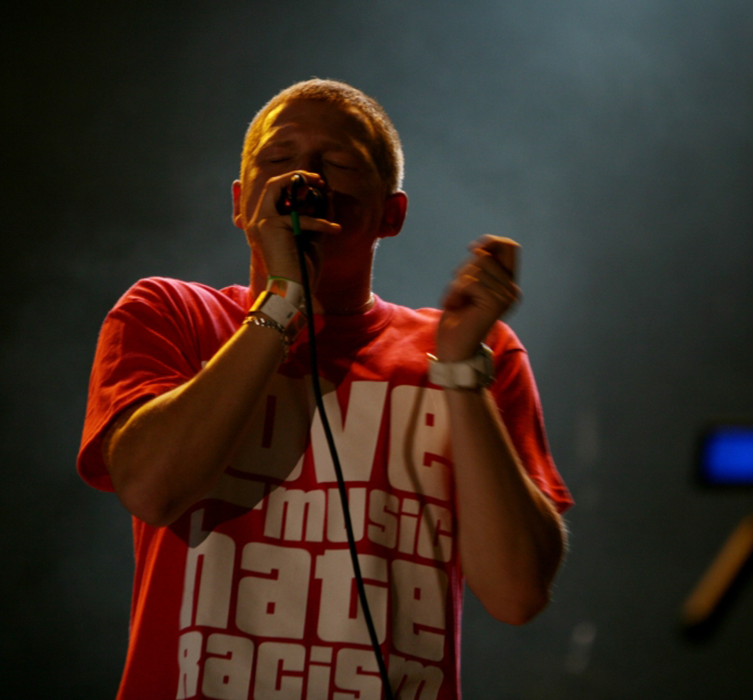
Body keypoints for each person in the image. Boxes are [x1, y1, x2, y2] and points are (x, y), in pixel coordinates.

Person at [77, 78, 572, 700]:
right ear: (242, 201)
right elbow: (152, 489)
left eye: (337, 163)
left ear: (390, 214)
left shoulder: (474, 352)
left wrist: (460, 374)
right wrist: (281, 306)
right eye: (279, 160)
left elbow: (518, 592)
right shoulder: (170, 312)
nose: (303, 178)